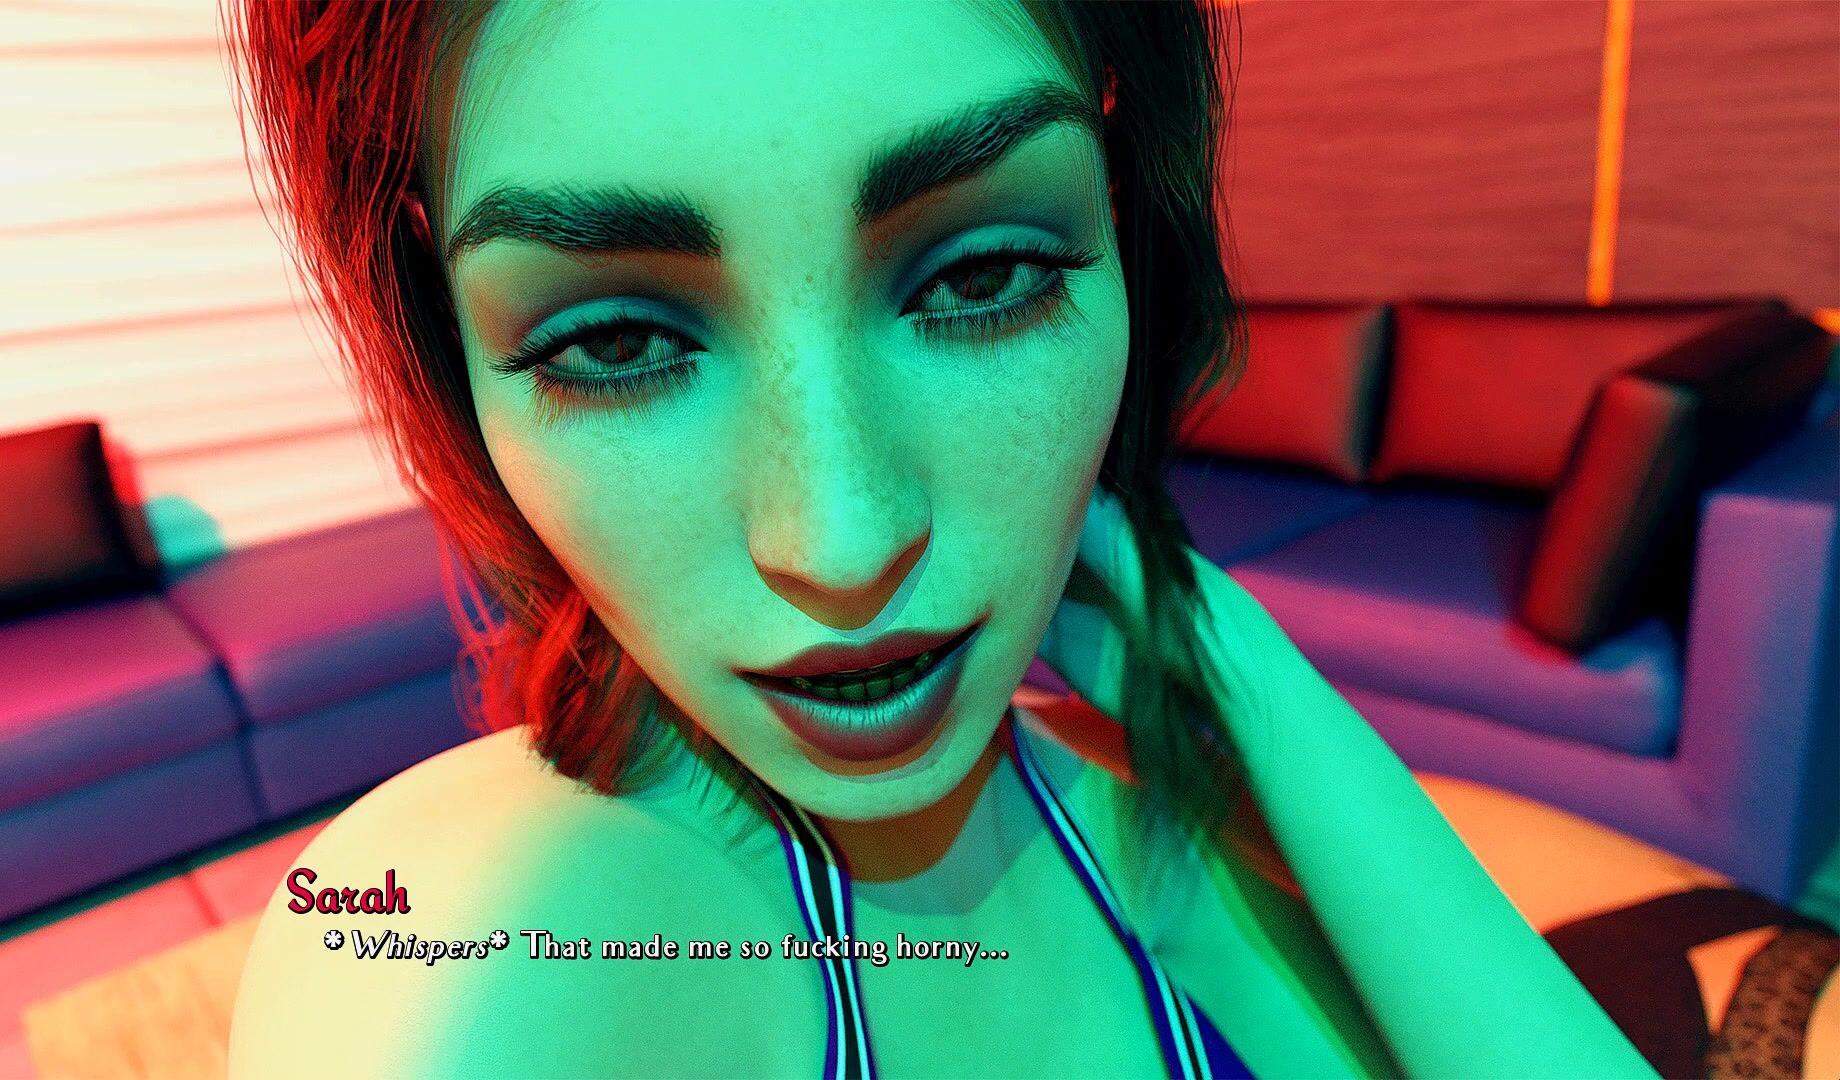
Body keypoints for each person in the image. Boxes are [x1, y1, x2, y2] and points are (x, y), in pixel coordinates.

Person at [221, 2, 1657, 1077]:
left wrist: (1246, 669)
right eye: (615, 342)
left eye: (983, 274)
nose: (843, 547)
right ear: (451, 347)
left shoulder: (1125, 822)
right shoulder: (486, 942)